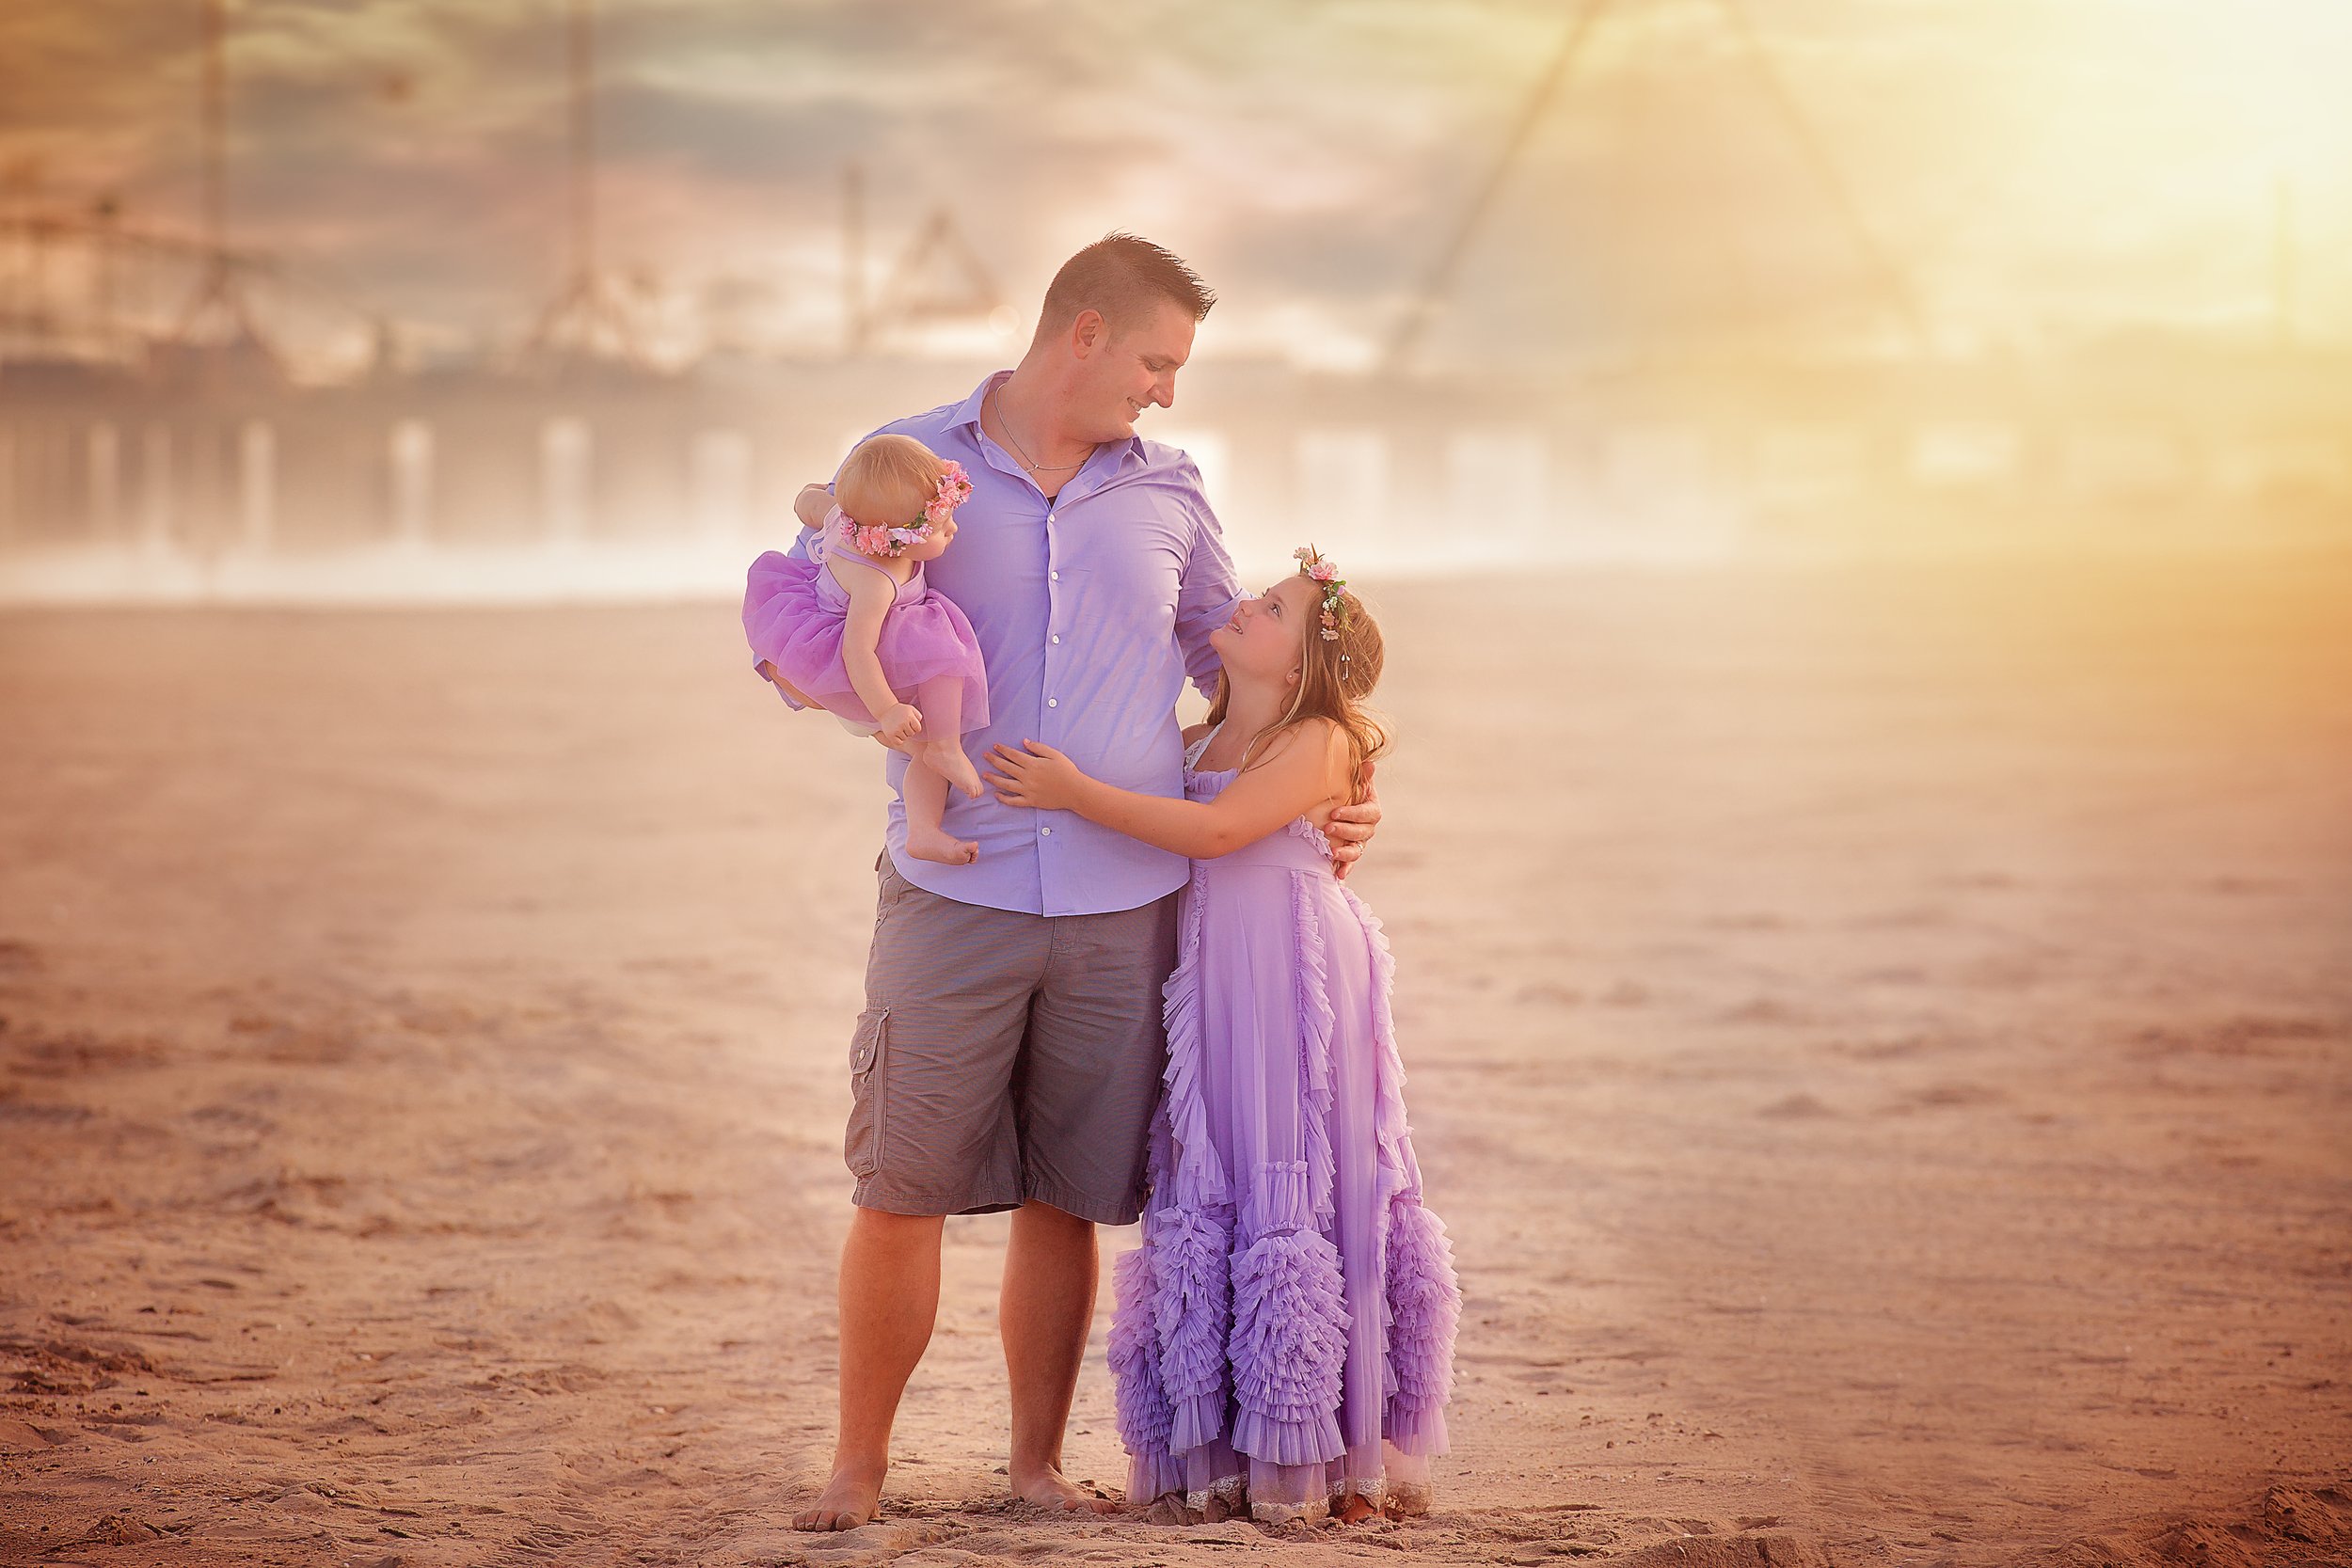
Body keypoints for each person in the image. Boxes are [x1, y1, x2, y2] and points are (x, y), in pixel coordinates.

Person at [766, 234, 1385, 1532]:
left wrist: (1338, 779)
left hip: (1124, 906)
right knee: (900, 1188)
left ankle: (1035, 1465)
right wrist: (852, 697)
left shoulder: (1172, 490)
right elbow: (824, 619)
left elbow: (1251, 668)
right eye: (1157, 361)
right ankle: (856, 1465)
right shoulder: (912, 458)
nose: (1166, 390)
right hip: (958, 888)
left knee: (1070, 1199)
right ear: (1085, 333)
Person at [986, 546, 1458, 1526]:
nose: (1244, 603)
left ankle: (1324, 1449)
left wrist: (1074, 791)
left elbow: (1214, 834)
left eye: (1273, 605)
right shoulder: (1197, 740)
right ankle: (1228, 1450)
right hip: (1211, 975)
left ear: (1301, 665)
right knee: (1216, 1167)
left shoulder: (1322, 739)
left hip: (1294, 972)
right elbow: (1176, 813)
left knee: (1301, 1168)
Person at [744, 435, 990, 864]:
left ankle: (924, 831)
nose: (953, 529)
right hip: (853, 664)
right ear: (897, 537)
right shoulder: (876, 581)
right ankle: (946, 750)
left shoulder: (845, 518)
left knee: (925, 745)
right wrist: (887, 710)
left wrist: (809, 496)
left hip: (876, 637)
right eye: (938, 526)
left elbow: (809, 502)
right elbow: (858, 652)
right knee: (942, 654)